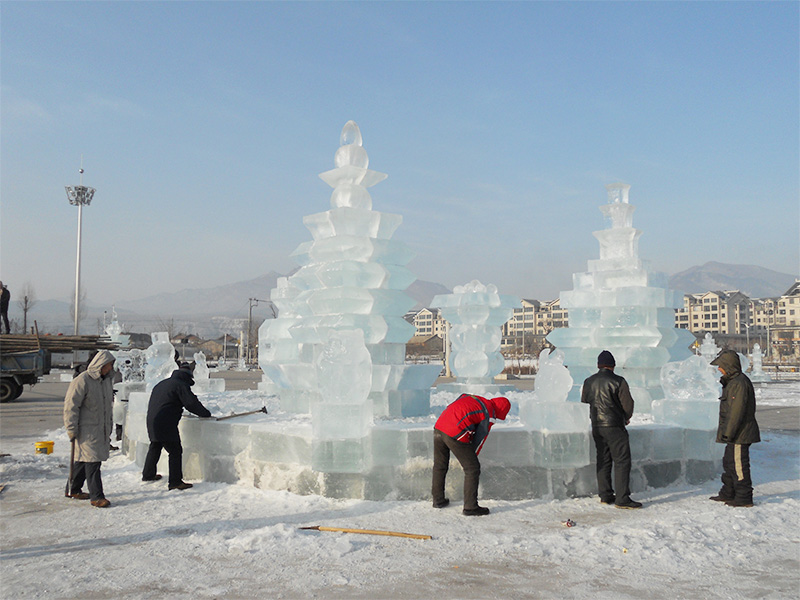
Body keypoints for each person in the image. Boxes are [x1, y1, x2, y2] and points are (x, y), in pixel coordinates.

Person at [431, 393, 511, 516]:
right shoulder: (488, 413)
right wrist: (470, 456)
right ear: (500, 411)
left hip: (439, 426)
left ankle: (438, 500)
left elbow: (460, 398)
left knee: (440, 465)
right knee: (472, 469)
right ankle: (470, 507)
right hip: (454, 431)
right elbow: (479, 439)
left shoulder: (475, 398)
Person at [581, 350, 642, 509]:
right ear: (613, 366)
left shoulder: (589, 381)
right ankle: (622, 498)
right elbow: (628, 403)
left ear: (599, 366)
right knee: (622, 461)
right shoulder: (619, 381)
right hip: (614, 425)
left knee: (603, 459)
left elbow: (584, 401)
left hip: (597, 426)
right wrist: (626, 417)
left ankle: (605, 495)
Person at [142, 362, 212, 490]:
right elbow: (191, 403)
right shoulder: (180, 385)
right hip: (166, 422)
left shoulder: (162, 383)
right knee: (175, 451)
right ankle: (175, 482)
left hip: (152, 420)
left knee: (155, 445)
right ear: (187, 376)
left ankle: (148, 474)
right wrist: (205, 414)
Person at [63, 350, 117, 508]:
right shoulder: (83, 380)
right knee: (93, 462)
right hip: (86, 429)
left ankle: (73, 489)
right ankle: (97, 496)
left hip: (101, 427)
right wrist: (71, 429)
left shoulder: (106, 381)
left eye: (111, 366)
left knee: (82, 460)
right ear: (100, 364)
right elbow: (71, 406)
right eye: (107, 365)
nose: (109, 368)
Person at [709, 350, 760, 507]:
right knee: (729, 462)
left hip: (740, 433)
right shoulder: (732, 382)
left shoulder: (739, 383)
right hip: (735, 433)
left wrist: (728, 433)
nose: (719, 369)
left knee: (738, 465)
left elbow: (736, 412)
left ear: (729, 366)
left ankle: (744, 497)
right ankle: (728, 492)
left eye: (721, 366)